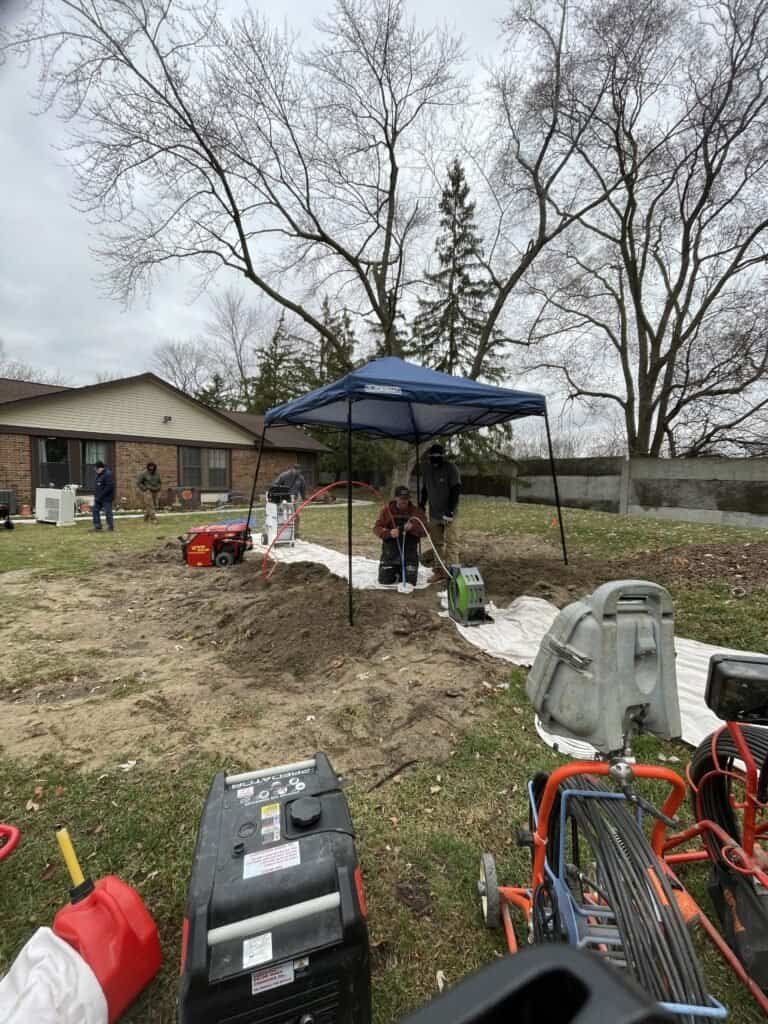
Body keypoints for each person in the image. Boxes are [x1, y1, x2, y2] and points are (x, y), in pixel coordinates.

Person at [419, 443, 461, 578]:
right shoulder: (427, 469)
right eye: (432, 457)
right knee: (436, 543)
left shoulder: (451, 468)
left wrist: (450, 511)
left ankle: (452, 572)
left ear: (443, 456)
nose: (435, 460)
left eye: (438, 457)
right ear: (429, 457)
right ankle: (439, 570)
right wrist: (422, 505)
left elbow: (456, 490)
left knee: (451, 542)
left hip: (450, 514)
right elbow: (425, 489)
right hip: (434, 513)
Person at [373, 485, 426, 585]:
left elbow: (426, 530)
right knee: (385, 581)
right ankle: (395, 570)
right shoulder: (387, 511)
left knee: (409, 582)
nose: (404, 501)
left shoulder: (416, 512)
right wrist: (389, 533)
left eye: (406, 499)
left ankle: (404, 570)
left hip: (409, 555)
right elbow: (376, 529)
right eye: (401, 499)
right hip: (390, 555)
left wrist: (413, 527)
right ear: (396, 498)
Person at [91, 460, 115, 532]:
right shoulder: (98, 475)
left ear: (101, 468)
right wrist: (96, 495)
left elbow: (109, 487)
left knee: (108, 512)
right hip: (98, 498)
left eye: (96, 469)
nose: (96, 471)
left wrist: (100, 496)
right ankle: (97, 526)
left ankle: (110, 527)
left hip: (106, 498)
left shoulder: (108, 474)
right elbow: (97, 486)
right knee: (95, 510)